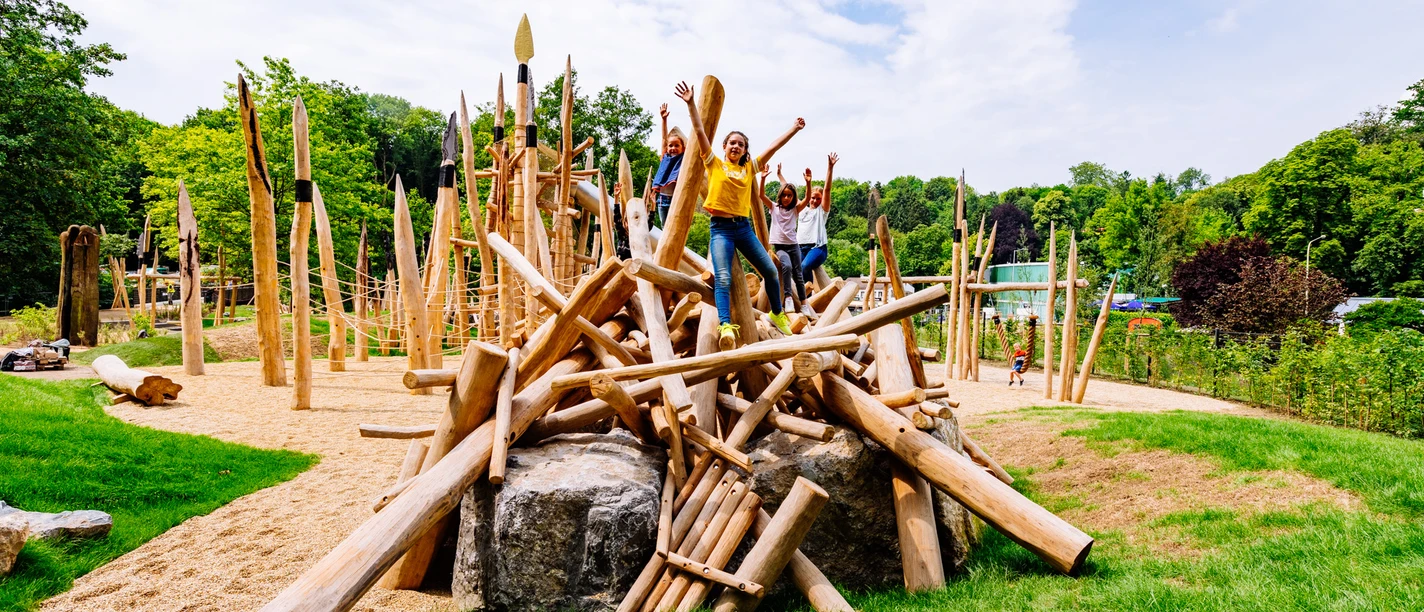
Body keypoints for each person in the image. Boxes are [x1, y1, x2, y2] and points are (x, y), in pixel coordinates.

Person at [675, 80, 802, 349]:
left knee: (770, 270)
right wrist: (690, 104)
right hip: (720, 228)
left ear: (745, 150)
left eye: (741, 144)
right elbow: (699, 130)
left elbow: (773, 147)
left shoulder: (749, 169)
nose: (736, 147)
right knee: (723, 278)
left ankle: (777, 313)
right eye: (732, 143)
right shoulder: (714, 163)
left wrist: (793, 129)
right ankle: (725, 326)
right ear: (724, 146)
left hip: (743, 229)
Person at [762, 164, 809, 310]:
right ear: (780, 196)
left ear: (793, 197)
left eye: (789, 195)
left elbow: (807, 199)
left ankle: (804, 304)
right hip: (780, 246)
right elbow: (761, 195)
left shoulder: (795, 209)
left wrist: (808, 182)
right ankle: (788, 298)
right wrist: (763, 179)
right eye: (784, 195)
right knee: (786, 266)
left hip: (794, 246)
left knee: (799, 275)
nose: (786, 198)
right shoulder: (774, 208)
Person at [797, 153, 837, 289]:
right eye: (813, 197)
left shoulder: (822, 211)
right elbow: (787, 190)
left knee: (804, 266)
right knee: (794, 270)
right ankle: (797, 297)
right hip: (801, 248)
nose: (815, 201)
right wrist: (779, 176)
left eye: (818, 198)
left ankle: (806, 295)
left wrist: (830, 167)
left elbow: (827, 189)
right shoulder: (802, 209)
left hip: (817, 248)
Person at [650, 103, 685, 226]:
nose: (673, 148)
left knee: (675, 227)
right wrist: (664, 120)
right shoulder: (665, 158)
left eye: (677, 145)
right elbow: (664, 139)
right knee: (665, 228)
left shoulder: (683, 160)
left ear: (683, 148)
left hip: (675, 199)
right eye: (671, 146)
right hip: (662, 199)